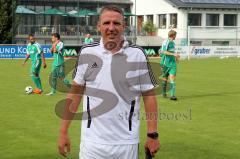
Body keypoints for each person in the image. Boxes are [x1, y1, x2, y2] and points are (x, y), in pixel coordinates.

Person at [58, 5, 160, 159]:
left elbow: (149, 96)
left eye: (116, 23)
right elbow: (75, 93)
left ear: (124, 26)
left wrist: (152, 135)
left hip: (126, 143)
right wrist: (63, 132)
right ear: (98, 26)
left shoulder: (137, 54)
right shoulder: (87, 52)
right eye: (106, 23)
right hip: (92, 144)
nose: (111, 28)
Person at [160, 30, 180, 100]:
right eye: (175, 35)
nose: (176, 37)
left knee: (172, 79)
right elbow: (163, 52)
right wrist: (173, 54)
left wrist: (176, 57)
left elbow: (173, 53)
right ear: (173, 35)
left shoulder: (173, 43)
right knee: (165, 79)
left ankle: (172, 95)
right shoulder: (166, 42)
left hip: (172, 64)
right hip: (165, 63)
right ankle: (163, 93)